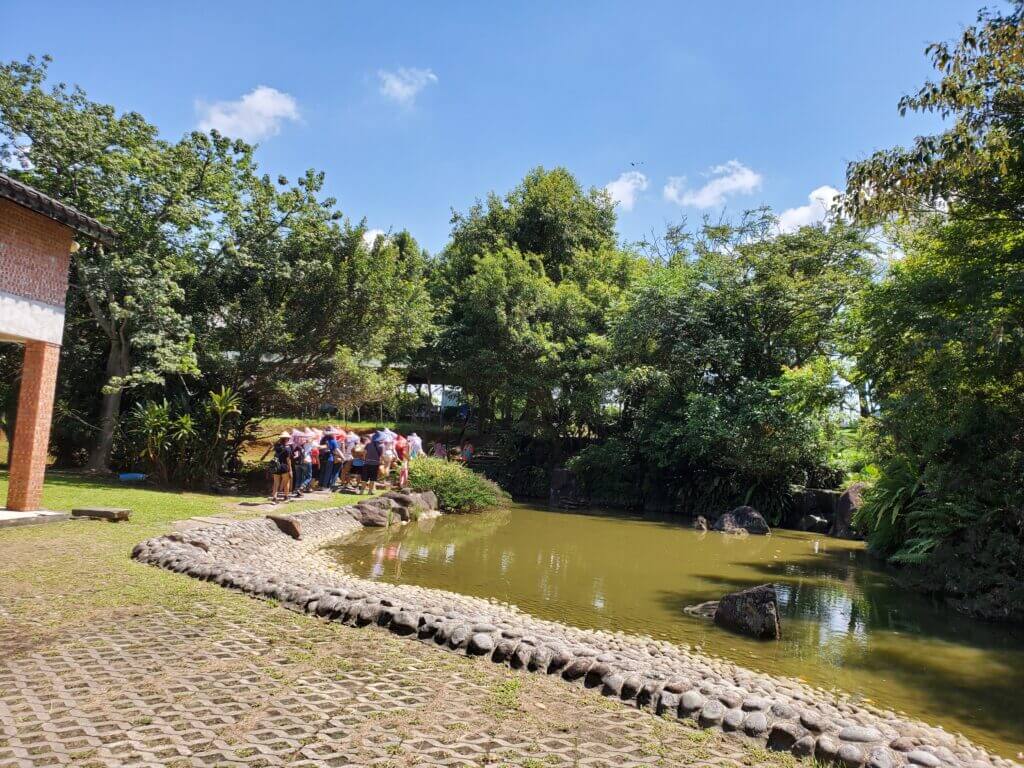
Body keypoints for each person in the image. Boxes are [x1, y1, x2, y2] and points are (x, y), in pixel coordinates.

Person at [270, 432, 292, 502]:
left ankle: (274, 497)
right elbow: (288, 460)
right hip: (284, 466)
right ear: (287, 439)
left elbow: (273, 448)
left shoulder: (277, 447)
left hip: (276, 466)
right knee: (286, 482)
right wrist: (290, 470)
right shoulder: (288, 448)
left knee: (276, 483)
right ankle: (286, 497)